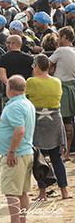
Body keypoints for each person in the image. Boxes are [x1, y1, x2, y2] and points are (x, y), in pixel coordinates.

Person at [25, 54, 71, 200]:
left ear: (37, 66)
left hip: (38, 120)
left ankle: (42, 193)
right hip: (54, 120)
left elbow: (26, 99)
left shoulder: (31, 82)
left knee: (40, 158)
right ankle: (64, 192)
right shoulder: (57, 81)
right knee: (57, 157)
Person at [0, 75, 36, 223]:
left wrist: (12, 151)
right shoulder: (27, 103)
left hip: (16, 154)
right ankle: (21, 220)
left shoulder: (14, 106)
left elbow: (19, 130)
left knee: (11, 192)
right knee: (22, 192)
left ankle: (15, 221)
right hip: (26, 151)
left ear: (9, 88)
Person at [50, 26, 75, 161]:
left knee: (61, 120)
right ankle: (67, 153)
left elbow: (45, 65)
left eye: (59, 36)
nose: (57, 39)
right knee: (69, 120)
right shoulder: (73, 50)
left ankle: (62, 153)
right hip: (73, 86)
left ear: (64, 37)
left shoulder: (60, 51)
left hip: (62, 87)